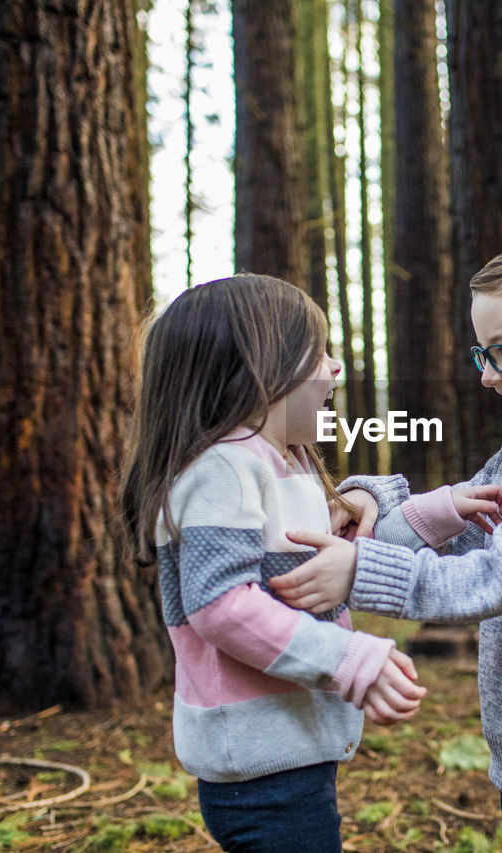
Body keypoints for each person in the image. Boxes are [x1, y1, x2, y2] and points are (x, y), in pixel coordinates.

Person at [271, 232, 502, 853]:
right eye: (482, 355)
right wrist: (371, 499)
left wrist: (359, 572)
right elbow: (456, 523)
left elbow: (493, 577)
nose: (487, 377)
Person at [119, 274, 430, 853]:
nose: (336, 368)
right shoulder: (225, 467)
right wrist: (350, 659)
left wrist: (429, 509)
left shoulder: (279, 462)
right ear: (259, 370)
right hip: (262, 773)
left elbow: (342, 537)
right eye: (320, 354)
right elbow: (220, 605)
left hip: (286, 752)